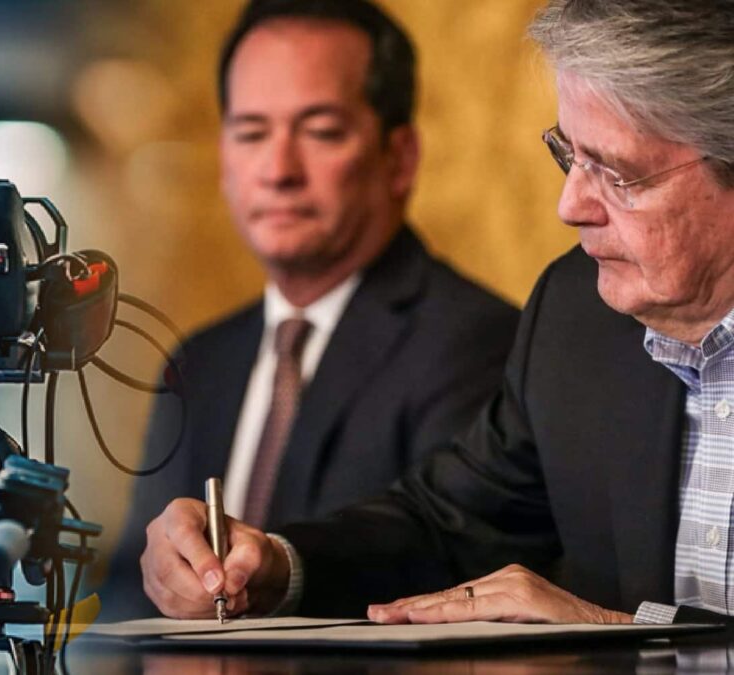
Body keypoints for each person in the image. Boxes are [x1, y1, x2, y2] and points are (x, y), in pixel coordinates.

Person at [139, 0, 734, 625]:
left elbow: (610, 629)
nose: (570, 205)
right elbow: (449, 526)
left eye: (617, 174)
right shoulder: (576, 315)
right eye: (570, 156)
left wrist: (619, 632)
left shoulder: (474, 334)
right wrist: (276, 566)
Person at [104, 0, 519, 618]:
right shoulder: (200, 361)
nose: (278, 170)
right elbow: (127, 593)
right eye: (251, 133)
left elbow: (448, 561)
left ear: (399, 158)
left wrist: (280, 569)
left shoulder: (476, 342)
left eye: (321, 131)